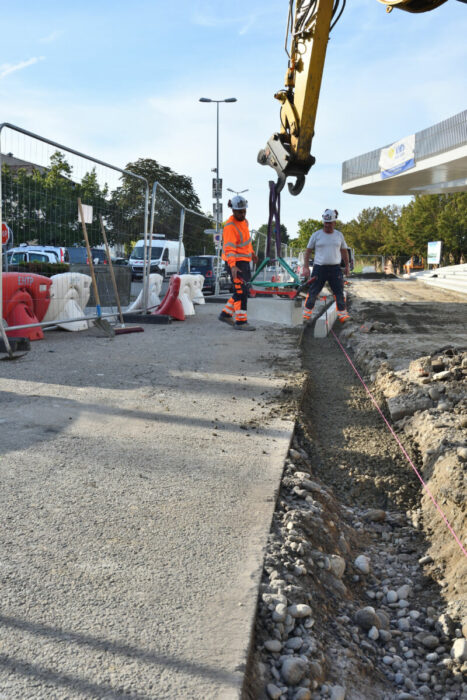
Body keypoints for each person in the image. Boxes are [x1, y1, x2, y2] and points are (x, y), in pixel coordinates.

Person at [302, 208, 350, 323]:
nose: (327, 225)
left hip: (335, 268)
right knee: (313, 291)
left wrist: (347, 266)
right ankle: (306, 315)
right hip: (319, 268)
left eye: (329, 223)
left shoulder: (339, 235)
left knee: (339, 291)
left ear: (334, 222)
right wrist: (306, 267)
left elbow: (344, 251)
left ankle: (343, 315)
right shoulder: (316, 235)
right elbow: (308, 251)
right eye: (325, 223)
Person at [218, 195, 258, 331]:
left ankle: (225, 314)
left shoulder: (245, 222)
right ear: (233, 210)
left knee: (242, 290)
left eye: (244, 211)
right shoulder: (230, 227)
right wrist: (233, 265)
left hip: (244, 262)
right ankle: (241, 322)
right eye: (239, 211)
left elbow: (246, 242)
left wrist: (252, 253)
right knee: (241, 291)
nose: (242, 214)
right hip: (236, 264)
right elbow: (229, 248)